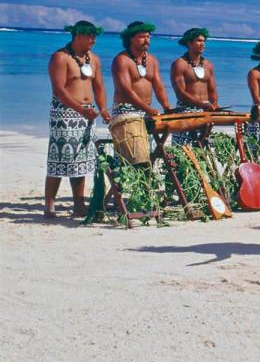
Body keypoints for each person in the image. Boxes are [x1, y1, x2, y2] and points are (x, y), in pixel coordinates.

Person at [46, 21, 110, 218]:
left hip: (87, 114)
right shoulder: (60, 57)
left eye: (94, 36)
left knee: (80, 161)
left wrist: (103, 109)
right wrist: (80, 110)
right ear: (78, 35)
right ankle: (49, 205)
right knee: (59, 158)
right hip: (64, 113)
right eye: (90, 36)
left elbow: (99, 87)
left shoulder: (94, 59)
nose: (93, 40)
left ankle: (79, 205)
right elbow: (59, 90)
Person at [111, 21, 173, 120]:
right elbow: (126, 90)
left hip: (147, 111)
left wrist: (166, 106)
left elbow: (159, 87)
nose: (146, 40)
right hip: (126, 110)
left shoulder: (152, 60)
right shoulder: (122, 60)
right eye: (142, 37)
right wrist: (148, 109)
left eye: (148, 37)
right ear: (130, 38)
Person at [169, 27, 218, 145]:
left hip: (206, 110)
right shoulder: (179, 64)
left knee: (203, 148)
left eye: (204, 41)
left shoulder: (208, 65)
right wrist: (201, 104)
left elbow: (212, 90)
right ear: (189, 43)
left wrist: (214, 106)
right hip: (186, 109)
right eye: (199, 41)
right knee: (183, 149)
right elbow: (180, 93)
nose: (203, 44)